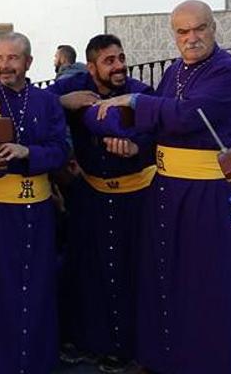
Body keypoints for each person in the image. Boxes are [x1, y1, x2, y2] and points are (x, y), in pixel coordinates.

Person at [98, 0, 231, 374]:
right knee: (163, 279)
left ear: (214, 28)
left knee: (205, 287)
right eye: (182, 32)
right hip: (167, 191)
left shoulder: (228, 72)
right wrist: (136, 146)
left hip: (206, 196)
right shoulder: (174, 72)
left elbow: (187, 115)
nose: (191, 38)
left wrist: (135, 100)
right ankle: (162, 360)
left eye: (199, 29)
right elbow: (160, 130)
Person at [0, 33, 68, 374]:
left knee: (36, 288)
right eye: (0, 58)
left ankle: (36, 363)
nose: (4, 66)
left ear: (28, 62)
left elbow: (63, 149)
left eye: (13, 58)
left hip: (36, 212)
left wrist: (28, 152)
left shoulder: (47, 102)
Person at [47, 34, 154, 372]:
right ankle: (90, 343)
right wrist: (63, 103)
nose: (119, 65)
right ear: (92, 67)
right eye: (110, 61)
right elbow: (34, 104)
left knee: (131, 273)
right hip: (89, 194)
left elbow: (160, 133)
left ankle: (133, 349)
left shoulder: (142, 94)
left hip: (135, 198)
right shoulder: (73, 87)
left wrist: (137, 148)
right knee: (89, 273)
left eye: (121, 57)